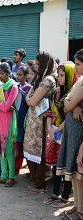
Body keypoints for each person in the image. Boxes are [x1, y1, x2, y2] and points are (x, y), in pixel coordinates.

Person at [43, 63, 76, 208]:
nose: (59, 77)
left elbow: (69, 116)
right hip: (54, 132)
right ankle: (55, 192)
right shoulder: (56, 92)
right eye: (58, 74)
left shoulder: (73, 93)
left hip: (67, 133)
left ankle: (65, 196)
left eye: (62, 75)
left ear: (69, 75)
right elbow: (49, 111)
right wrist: (50, 128)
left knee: (66, 164)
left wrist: (57, 130)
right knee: (56, 164)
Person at [23, 51, 56, 195]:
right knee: (31, 148)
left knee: (40, 150)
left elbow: (31, 100)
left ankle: (40, 184)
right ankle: (37, 180)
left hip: (41, 121)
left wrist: (30, 99)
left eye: (38, 64)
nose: (36, 67)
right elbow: (30, 98)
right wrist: (30, 98)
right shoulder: (40, 78)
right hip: (34, 120)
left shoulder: (48, 80)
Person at [56, 49, 83, 220]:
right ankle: (77, 206)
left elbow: (67, 104)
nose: (76, 68)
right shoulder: (79, 81)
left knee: (78, 171)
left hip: (79, 133)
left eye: (79, 64)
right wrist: (73, 106)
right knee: (72, 171)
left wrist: (72, 105)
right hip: (72, 131)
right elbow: (65, 101)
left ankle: (81, 210)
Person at [0, 63, 18, 187]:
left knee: (8, 151)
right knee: (1, 150)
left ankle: (11, 176)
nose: (0, 76)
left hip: (8, 121)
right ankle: (3, 176)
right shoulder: (0, 87)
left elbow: (7, 107)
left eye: (2, 73)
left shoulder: (13, 87)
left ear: (8, 73)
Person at [14, 66, 31, 174]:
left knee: (20, 144)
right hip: (15, 118)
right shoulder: (15, 87)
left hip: (23, 119)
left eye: (20, 75)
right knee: (15, 142)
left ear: (26, 76)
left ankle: (17, 166)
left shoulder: (28, 88)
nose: (18, 76)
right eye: (17, 74)